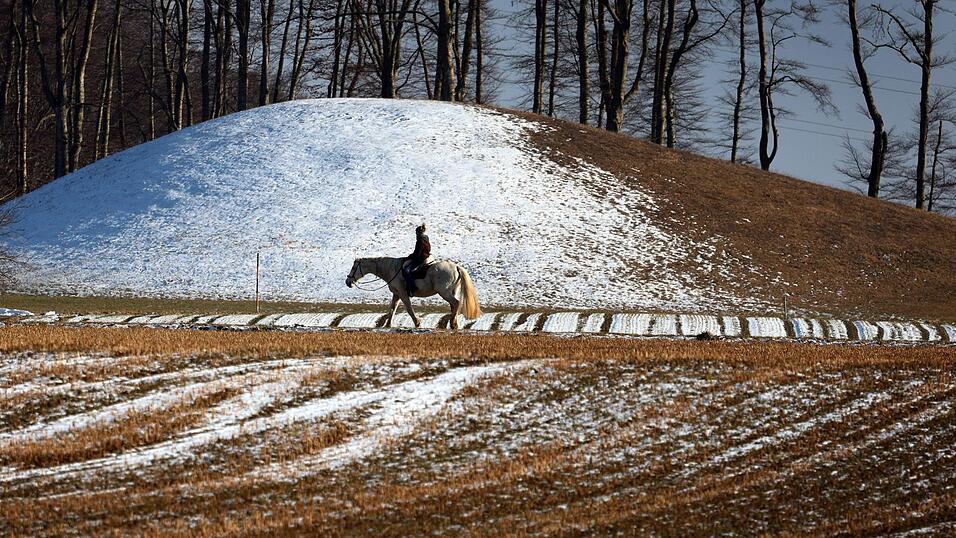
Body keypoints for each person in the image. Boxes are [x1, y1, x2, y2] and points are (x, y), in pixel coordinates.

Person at [404, 223, 431, 293]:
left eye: (416, 233)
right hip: (427, 256)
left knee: (406, 270)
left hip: (420, 259)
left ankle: (413, 288)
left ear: (418, 233)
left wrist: (410, 257)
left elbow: (417, 253)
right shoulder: (426, 238)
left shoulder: (420, 240)